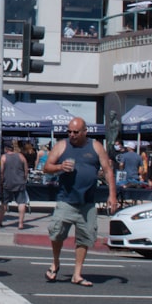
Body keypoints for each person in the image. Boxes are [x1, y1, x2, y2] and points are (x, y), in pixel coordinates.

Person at [42, 117, 116, 288]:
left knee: (85, 237)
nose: (72, 135)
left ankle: (77, 274)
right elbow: (46, 168)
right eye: (69, 131)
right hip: (66, 199)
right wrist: (60, 167)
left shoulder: (96, 146)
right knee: (57, 232)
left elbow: (107, 170)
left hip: (88, 202)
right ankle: (55, 263)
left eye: (76, 132)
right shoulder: (62, 145)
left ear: (85, 132)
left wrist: (112, 195)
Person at [0, 139, 29, 229]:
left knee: (4, 204)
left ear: (6, 149)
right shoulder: (21, 156)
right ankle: (21, 223)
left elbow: (1, 171)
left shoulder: (3, 157)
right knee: (21, 203)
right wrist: (24, 178)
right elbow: (26, 169)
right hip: (20, 182)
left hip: (7, 183)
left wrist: (1, 182)